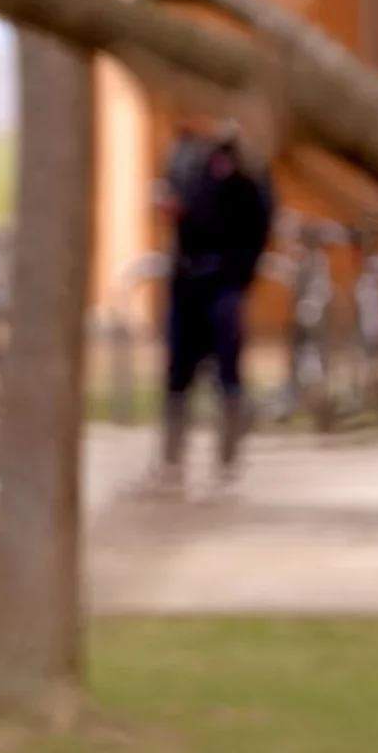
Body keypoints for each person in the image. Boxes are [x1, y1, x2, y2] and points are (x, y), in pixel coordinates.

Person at [148, 121, 275, 493]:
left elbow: (260, 216)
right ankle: (172, 458)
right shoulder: (183, 153)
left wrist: (243, 271)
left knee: (227, 369)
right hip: (186, 277)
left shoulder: (243, 157)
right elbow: (178, 204)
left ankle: (227, 457)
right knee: (177, 371)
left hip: (224, 275)